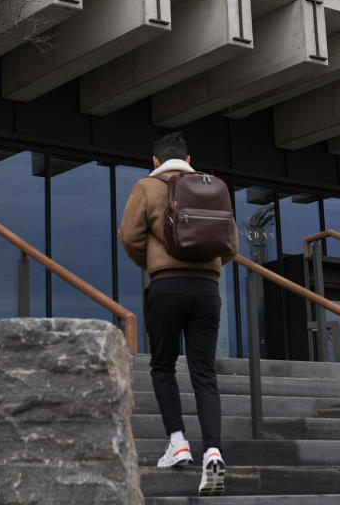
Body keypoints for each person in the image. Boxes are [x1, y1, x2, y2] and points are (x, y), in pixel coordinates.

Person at [119, 131, 235, 496]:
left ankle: (178, 442)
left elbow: (129, 237)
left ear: (155, 161)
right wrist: (206, 266)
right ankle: (213, 451)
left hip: (166, 287)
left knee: (162, 365)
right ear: (188, 160)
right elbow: (230, 245)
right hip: (207, 291)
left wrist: (155, 262)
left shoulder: (147, 187)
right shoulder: (214, 188)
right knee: (204, 372)